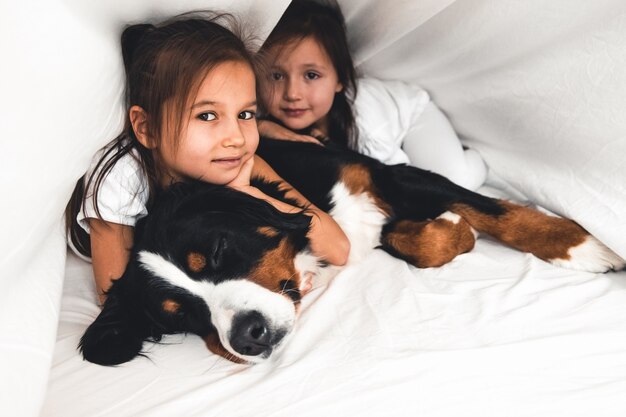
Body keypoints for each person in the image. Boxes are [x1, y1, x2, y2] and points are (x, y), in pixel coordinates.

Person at [65, 13, 349, 305]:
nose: (236, 137)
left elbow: (337, 247)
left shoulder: (238, 162)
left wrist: (248, 194)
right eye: (207, 115)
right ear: (147, 128)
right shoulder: (122, 177)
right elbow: (115, 300)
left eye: (245, 114)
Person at [256, 0, 487, 191]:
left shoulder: (366, 125)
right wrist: (263, 127)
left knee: (454, 183)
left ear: (340, 80)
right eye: (276, 76)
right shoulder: (263, 112)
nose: (292, 93)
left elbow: (398, 179)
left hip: (413, 117)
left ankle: (476, 158)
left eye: (312, 75)